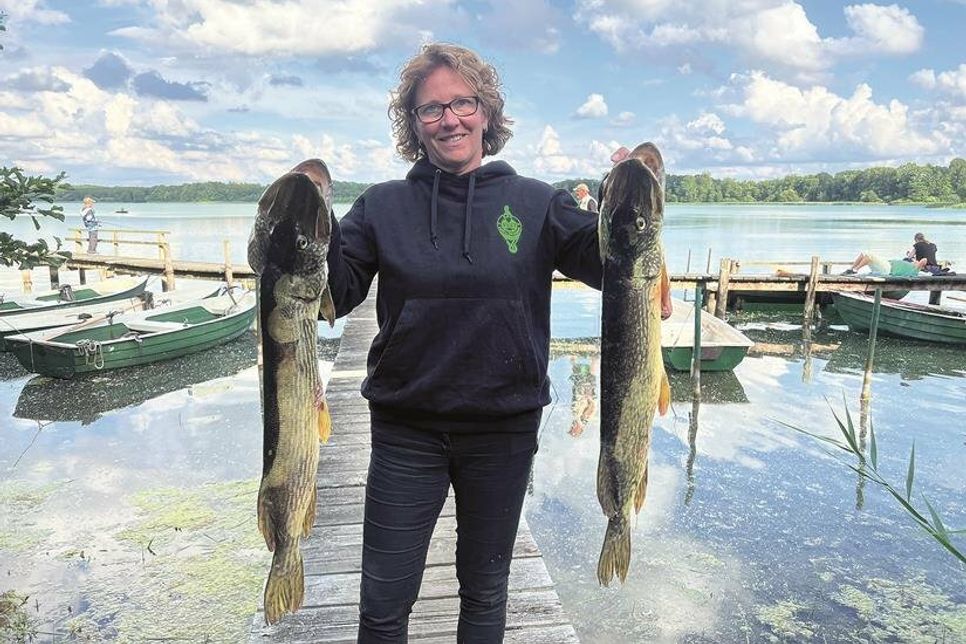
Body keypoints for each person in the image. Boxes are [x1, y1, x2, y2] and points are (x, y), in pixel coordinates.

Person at [319, 42, 670, 643]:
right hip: (407, 428)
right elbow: (337, 292)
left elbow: (616, 263)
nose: (449, 119)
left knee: (484, 595)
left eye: (462, 102)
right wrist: (303, 233)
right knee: (382, 602)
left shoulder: (537, 203)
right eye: (431, 109)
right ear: (414, 124)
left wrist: (627, 197)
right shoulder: (382, 206)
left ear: (486, 112)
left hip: (503, 430)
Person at [843, 252, 927, 276]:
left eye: (917, 262)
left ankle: (855, 270)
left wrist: (917, 263)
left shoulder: (915, 270)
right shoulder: (909, 265)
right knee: (864, 254)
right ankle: (851, 269)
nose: (916, 261)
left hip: (887, 269)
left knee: (869, 256)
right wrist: (913, 259)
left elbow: (924, 260)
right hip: (886, 266)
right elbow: (914, 259)